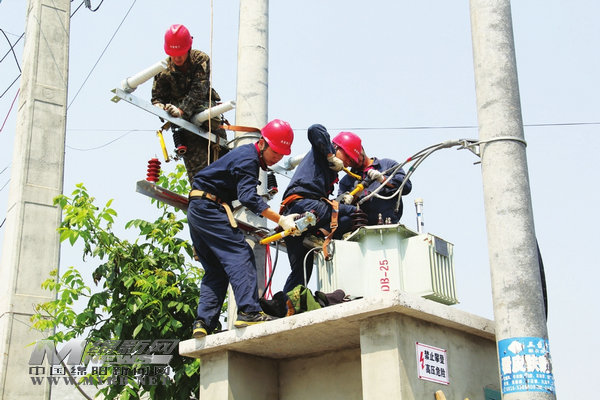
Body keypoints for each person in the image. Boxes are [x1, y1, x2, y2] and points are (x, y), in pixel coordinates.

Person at [188, 119, 297, 338]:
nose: (278, 157)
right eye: (275, 151)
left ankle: (203, 323)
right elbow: (248, 197)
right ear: (262, 143)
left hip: (199, 208)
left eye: (282, 154)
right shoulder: (249, 159)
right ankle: (249, 312)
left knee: (216, 270)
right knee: (240, 253)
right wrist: (281, 219)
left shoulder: (245, 156)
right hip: (209, 207)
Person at [278, 124, 367, 296]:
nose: (347, 163)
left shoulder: (330, 171)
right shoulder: (322, 152)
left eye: (350, 162)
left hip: (296, 217)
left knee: (301, 272)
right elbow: (314, 129)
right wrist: (330, 156)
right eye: (347, 158)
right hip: (304, 205)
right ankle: (315, 231)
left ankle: (283, 305)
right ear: (337, 147)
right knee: (354, 213)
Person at [151, 24, 228, 184]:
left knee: (224, 164)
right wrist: (161, 108)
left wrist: (181, 110)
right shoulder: (163, 71)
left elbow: (199, 89)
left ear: (188, 48)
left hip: (207, 118)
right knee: (200, 175)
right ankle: (202, 196)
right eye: (173, 55)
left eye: (181, 54)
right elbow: (157, 98)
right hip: (186, 128)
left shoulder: (200, 59)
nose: (177, 58)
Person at [335, 131, 412, 225]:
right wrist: (352, 197)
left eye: (354, 158)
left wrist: (383, 179)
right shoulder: (347, 181)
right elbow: (339, 208)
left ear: (361, 150)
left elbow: (406, 186)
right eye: (349, 162)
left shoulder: (387, 165)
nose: (354, 163)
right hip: (361, 229)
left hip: (388, 226)